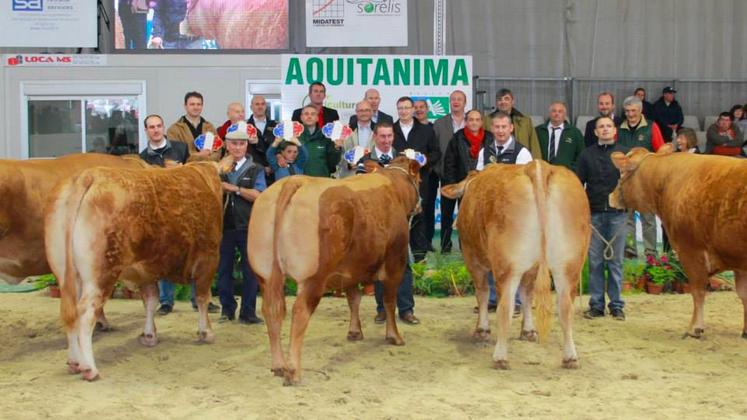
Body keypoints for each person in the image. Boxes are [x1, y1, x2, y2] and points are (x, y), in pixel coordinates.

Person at [138, 114, 220, 315]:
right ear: (146, 131)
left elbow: (195, 171)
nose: (155, 130)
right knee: (165, 255)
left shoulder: (180, 148)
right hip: (161, 213)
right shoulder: (142, 158)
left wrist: (181, 169)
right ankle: (166, 301)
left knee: (196, 253)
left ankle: (199, 298)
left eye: (158, 126)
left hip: (188, 210)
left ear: (163, 127)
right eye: (151, 127)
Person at [358, 121, 419, 325]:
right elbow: (359, 190)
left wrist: (414, 203)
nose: (386, 140)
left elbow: (414, 187)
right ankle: (382, 309)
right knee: (378, 265)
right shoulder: (365, 161)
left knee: (404, 264)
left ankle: (406, 309)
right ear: (375, 137)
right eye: (382, 136)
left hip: (399, 223)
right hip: (374, 224)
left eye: (389, 136)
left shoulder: (404, 160)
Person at [476, 111, 532, 313]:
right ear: (492, 129)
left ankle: (515, 301)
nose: (500, 131)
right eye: (496, 127)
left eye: (503, 127)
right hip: (492, 217)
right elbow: (480, 182)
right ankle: (493, 299)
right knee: (492, 257)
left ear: (511, 128)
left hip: (515, 217)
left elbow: (527, 186)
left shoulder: (522, 153)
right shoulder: (485, 152)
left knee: (513, 259)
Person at [576, 116, 629, 320]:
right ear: (596, 132)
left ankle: (616, 305)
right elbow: (578, 183)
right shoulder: (586, 155)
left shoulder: (625, 154)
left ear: (614, 130)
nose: (605, 129)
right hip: (594, 214)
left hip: (618, 214)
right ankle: (596, 305)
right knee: (595, 261)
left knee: (615, 262)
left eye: (608, 126)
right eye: (601, 127)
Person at [217, 124, 266, 325]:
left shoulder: (256, 169)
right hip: (224, 226)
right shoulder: (218, 169)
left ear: (246, 146)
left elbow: (259, 195)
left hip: (248, 226)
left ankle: (248, 312)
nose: (237, 148)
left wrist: (234, 188)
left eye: (241, 144)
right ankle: (227, 310)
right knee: (223, 270)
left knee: (250, 271)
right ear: (227, 145)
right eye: (233, 144)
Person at [393, 96, 441, 262]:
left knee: (419, 222)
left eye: (407, 108)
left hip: (420, 183)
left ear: (413, 109)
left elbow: (436, 153)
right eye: (401, 108)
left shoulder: (426, 130)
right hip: (396, 185)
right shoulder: (391, 130)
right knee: (396, 222)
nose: (404, 111)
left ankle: (420, 260)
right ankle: (397, 261)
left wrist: (425, 160)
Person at [617, 96, 664, 259]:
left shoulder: (652, 127)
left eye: (633, 110)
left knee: (648, 219)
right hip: (626, 181)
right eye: (627, 111)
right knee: (627, 218)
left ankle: (651, 251)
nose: (630, 114)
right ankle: (629, 249)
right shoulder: (619, 128)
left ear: (640, 110)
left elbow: (661, 152)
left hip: (646, 182)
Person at [433, 90, 467, 253]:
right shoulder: (439, 123)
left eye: (459, 99)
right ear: (449, 102)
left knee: (466, 213)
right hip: (447, 176)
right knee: (446, 214)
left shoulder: (472, 122)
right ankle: (445, 246)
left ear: (464, 102)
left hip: (467, 178)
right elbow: (435, 150)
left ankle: (465, 246)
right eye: (453, 99)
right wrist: (441, 171)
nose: (456, 102)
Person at [485, 88, 541, 159]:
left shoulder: (525, 121)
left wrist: (537, 164)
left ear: (512, 101)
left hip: (521, 162)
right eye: (500, 99)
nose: (503, 102)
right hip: (496, 163)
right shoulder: (487, 121)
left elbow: (534, 146)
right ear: (496, 103)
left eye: (506, 99)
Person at [166, 91, 219, 160]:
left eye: (198, 104)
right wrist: (199, 155)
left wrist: (206, 159)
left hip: (207, 168)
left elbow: (218, 151)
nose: (196, 107)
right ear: (185, 106)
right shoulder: (174, 129)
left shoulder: (210, 127)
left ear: (202, 106)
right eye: (192, 104)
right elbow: (176, 153)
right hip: (186, 169)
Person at [535, 101, 584, 170]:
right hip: (542, 171)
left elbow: (581, 155)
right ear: (549, 113)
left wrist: (573, 169)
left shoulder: (575, 132)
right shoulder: (538, 131)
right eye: (554, 111)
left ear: (565, 114)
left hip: (565, 174)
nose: (557, 113)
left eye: (560, 111)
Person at [297, 105, 342, 177]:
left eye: (313, 114)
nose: (309, 116)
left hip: (321, 182)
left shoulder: (326, 137)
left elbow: (333, 163)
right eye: (306, 114)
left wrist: (336, 148)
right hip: (300, 182)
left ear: (317, 118)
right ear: (301, 118)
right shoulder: (293, 136)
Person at [339, 100, 375, 178]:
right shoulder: (345, 131)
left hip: (373, 177)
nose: (364, 113)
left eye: (367, 110)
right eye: (361, 110)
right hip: (350, 178)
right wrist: (348, 164)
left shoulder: (379, 130)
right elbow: (339, 155)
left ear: (372, 111)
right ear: (356, 112)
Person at [246, 95, 277, 182]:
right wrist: (261, 168)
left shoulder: (275, 126)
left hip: (272, 172)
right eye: (257, 104)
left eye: (262, 104)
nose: (260, 106)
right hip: (251, 171)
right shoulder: (245, 126)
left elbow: (278, 149)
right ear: (251, 107)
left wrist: (272, 166)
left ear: (265, 106)